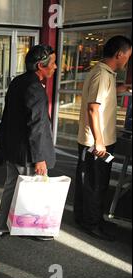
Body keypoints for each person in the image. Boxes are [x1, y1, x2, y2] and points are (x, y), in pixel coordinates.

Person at [0, 45, 57, 241]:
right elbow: (37, 126)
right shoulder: (35, 88)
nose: (55, 67)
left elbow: (9, 116)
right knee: (34, 190)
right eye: (53, 63)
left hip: (13, 149)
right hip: (28, 153)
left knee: (11, 185)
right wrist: (40, 159)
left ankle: (2, 226)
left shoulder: (17, 82)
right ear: (40, 65)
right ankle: (33, 229)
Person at [74, 36, 132, 241]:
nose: (127, 60)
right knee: (95, 183)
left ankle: (86, 218)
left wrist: (119, 90)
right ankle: (91, 224)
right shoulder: (102, 74)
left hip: (95, 140)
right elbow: (93, 108)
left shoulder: (104, 73)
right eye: (128, 56)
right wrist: (99, 141)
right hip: (96, 142)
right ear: (119, 54)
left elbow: (100, 98)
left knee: (88, 181)